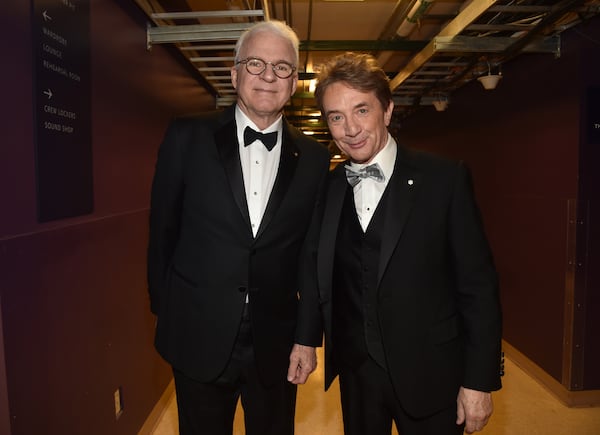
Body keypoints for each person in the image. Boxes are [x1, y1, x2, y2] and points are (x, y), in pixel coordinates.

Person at [147, 20, 330, 435]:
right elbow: (162, 233)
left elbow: (311, 256)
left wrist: (306, 337)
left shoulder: (316, 159)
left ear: (295, 82)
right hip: (198, 333)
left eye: (282, 68)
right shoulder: (186, 136)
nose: (268, 76)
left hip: (276, 342)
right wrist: (171, 311)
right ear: (234, 74)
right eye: (256, 64)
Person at [313, 52, 503, 435]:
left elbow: (478, 287)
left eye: (361, 110)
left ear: (387, 110)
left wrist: (479, 380)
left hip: (432, 374)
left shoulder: (444, 180)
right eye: (336, 116)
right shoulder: (330, 186)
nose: (350, 128)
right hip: (358, 376)